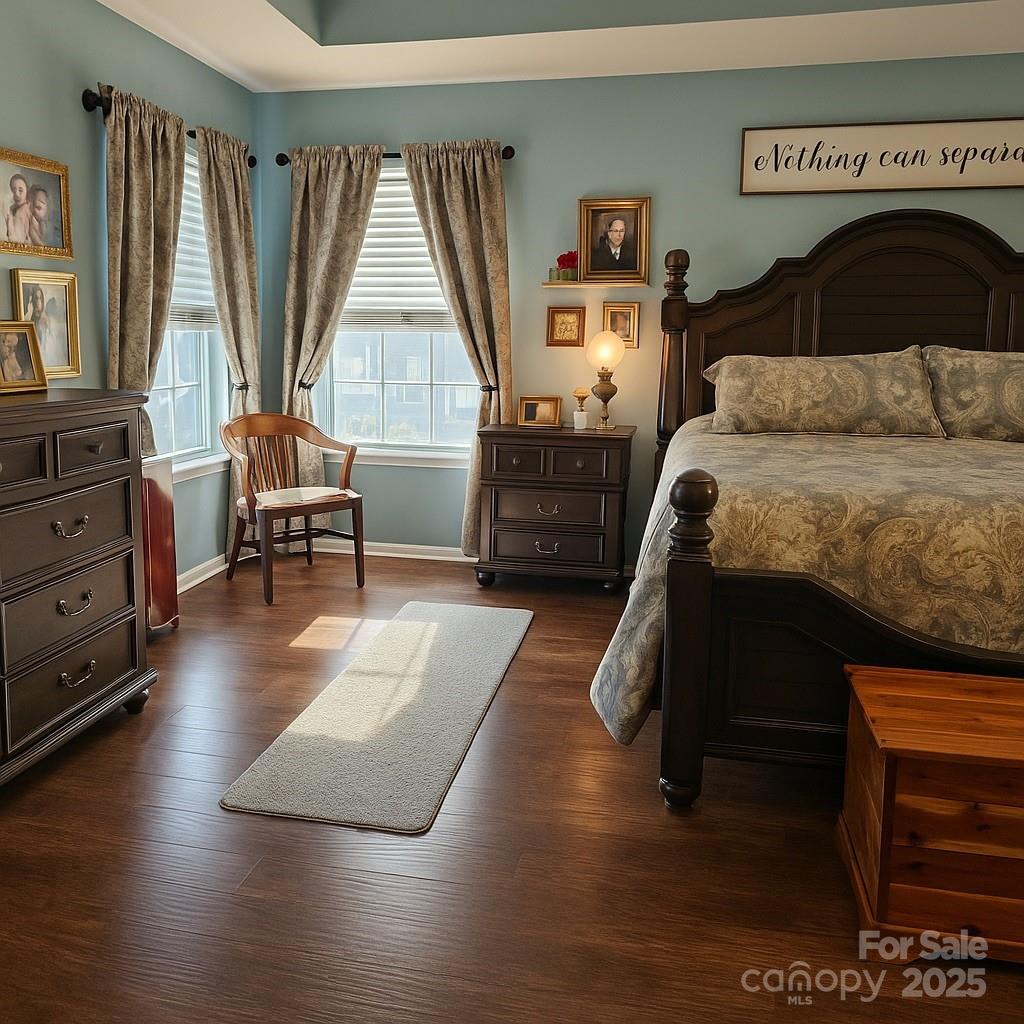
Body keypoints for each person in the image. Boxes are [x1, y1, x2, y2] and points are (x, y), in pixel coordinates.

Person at [28, 284, 66, 366]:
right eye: (36, 299)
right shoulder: (29, 321)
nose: (38, 303)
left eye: (40, 298)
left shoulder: (46, 320)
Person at [5, 174, 32, 244]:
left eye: (20, 190)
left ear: (27, 191)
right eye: (13, 190)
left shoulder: (26, 210)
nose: (16, 194)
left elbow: (16, 240)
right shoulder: (11, 209)